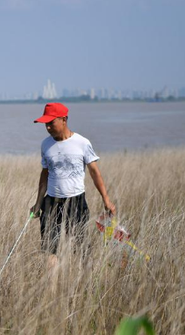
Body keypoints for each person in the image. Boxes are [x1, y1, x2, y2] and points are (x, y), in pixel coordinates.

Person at [30, 102, 116, 268]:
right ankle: (52, 289)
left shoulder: (82, 143)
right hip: (51, 202)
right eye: (45, 124)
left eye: (51, 122)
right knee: (49, 249)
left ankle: (85, 283)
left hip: (75, 202)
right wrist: (38, 203)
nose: (47, 127)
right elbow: (44, 174)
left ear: (64, 120)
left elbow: (94, 173)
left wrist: (106, 199)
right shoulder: (45, 145)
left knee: (80, 247)